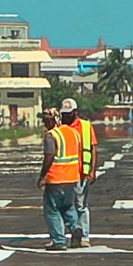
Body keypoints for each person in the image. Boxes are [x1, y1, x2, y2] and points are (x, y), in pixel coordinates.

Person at [37, 106, 83, 251]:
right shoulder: (74, 133)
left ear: (51, 120)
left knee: (52, 210)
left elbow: (49, 156)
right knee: (68, 206)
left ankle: (58, 241)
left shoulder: (51, 135)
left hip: (56, 178)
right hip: (72, 178)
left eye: (45, 120)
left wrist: (42, 176)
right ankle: (75, 227)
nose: (44, 123)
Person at [60, 98, 97, 246]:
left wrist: (92, 171)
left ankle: (84, 236)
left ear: (75, 112)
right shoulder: (59, 127)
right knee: (62, 205)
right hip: (63, 173)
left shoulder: (86, 127)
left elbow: (93, 149)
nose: (66, 117)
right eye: (64, 114)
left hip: (80, 173)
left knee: (80, 206)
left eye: (68, 113)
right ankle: (62, 235)